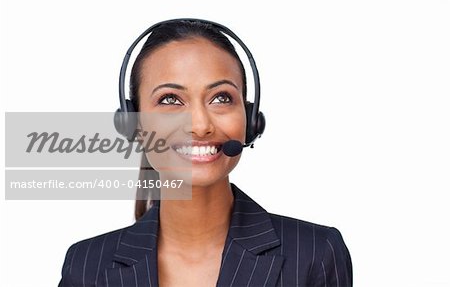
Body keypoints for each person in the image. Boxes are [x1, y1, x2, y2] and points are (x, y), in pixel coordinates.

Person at [58, 19, 352, 287]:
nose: (199, 126)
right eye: (170, 100)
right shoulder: (85, 266)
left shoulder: (315, 253)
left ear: (250, 120)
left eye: (221, 98)